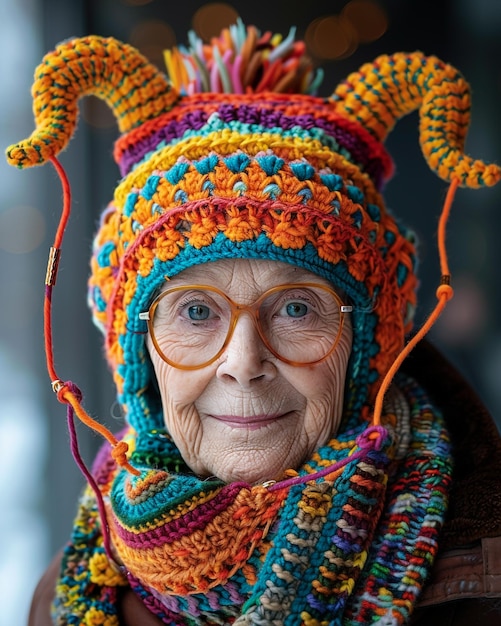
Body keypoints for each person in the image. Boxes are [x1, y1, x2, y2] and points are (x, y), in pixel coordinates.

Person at [7, 20, 501, 626]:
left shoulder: (480, 588)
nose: (243, 363)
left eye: (296, 309)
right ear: (137, 355)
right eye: (195, 311)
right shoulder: (66, 594)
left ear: (369, 349)